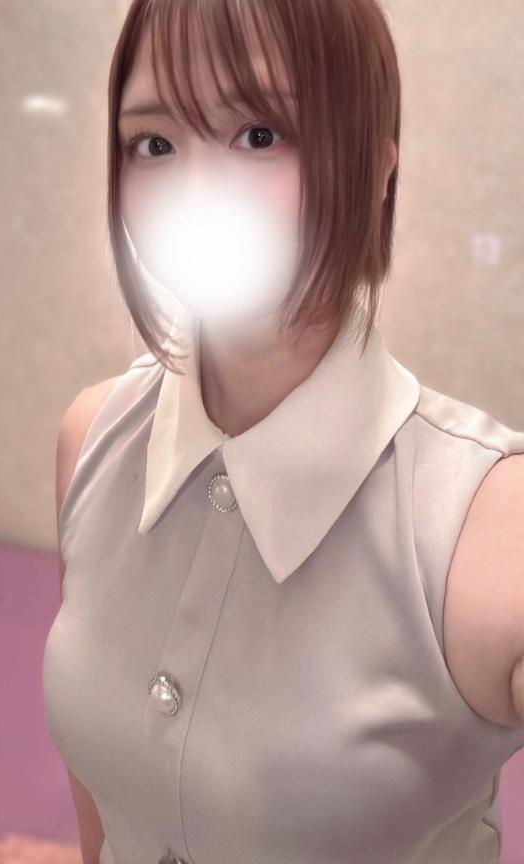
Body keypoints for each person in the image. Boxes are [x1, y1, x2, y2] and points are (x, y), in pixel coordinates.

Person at [42, 1, 524, 863]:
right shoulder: (91, 438)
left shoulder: (488, 529)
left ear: (376, 169)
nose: (194, 197)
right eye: (153, 143)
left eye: (259, 134)